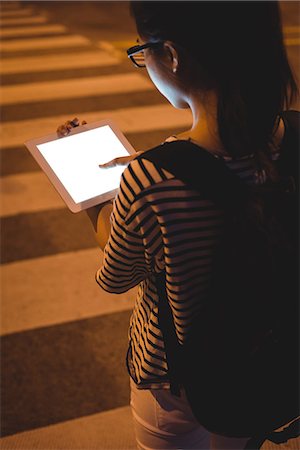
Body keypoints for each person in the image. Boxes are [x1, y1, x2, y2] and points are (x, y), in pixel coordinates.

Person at [58, 2, 298, 449]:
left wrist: (101, 201)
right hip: (269, 356)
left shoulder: (150, 180)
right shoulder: (295, 140)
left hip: (177, 377)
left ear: (170, 54)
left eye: (141, 50)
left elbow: (116, 276)